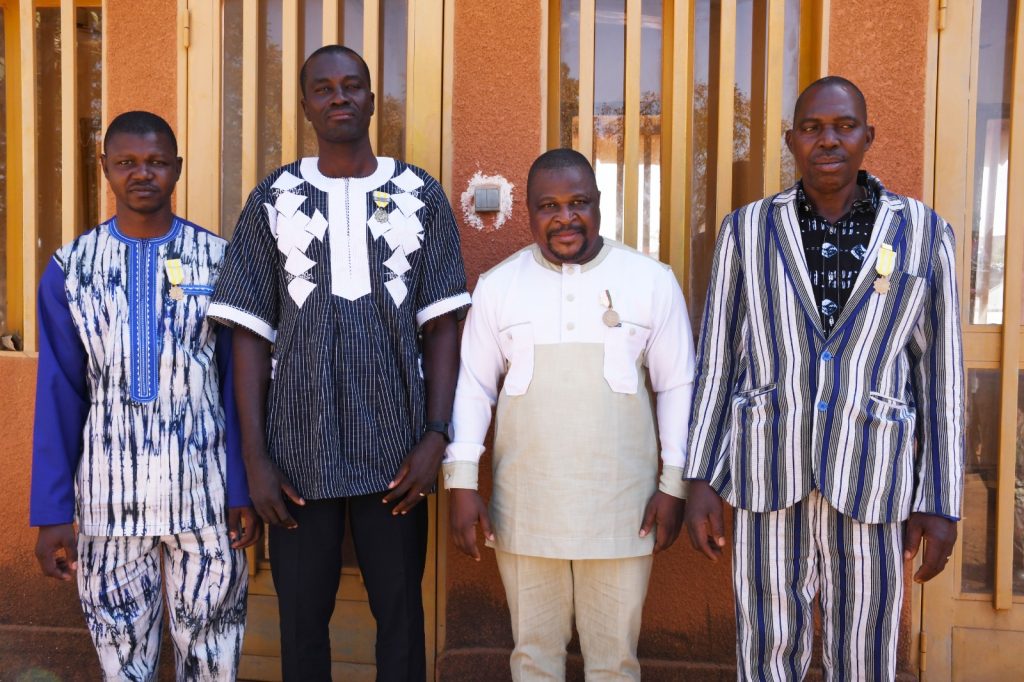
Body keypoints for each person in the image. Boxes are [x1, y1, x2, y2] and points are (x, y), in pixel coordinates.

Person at [683, 76, 964, 681]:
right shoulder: (747, 231)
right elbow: (717, 361)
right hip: (768, 476)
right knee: (766, 651)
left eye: (843, 126)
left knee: (864, 654)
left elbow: (941, 377)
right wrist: (701, 475)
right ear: (792, 141)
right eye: (812, 128)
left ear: (868, 137)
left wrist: (940, 501)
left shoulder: (922, 233)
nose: (827, 140)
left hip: (872, 481)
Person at [207, 45, 469, 681]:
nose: (339, 97)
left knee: (401, 618)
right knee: (301, 623)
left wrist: (436, 436)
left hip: (397, 452)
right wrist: (256, 460)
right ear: (305, 106)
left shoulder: (420, 194)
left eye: (352, 85)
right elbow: (249, 335)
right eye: (323, 89)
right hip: (298, 455)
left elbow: (442, 326)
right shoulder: (273, 198)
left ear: (373, 100)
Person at [445, 149, 696, 681]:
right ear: (529, 212)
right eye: (549, 206)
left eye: (579, 202)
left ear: (599, 204)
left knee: (616, 664)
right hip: (526, 508)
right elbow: (473, 388)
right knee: (533, 658)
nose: (565, 218)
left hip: (624, 510)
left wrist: (673, 485)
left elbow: (677, 386)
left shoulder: (650, 280)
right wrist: (462, 483)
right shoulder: (498, 286)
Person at [30, 111, 258, 680]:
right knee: (121, 656)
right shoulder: (71, 270)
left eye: (156, 162)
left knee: (212, 651)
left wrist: (242, 487)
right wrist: (52, 512)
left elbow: (240, 385)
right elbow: (59, 393)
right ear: (104, 168)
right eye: (127, 162)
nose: (142, 173)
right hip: (107, 500)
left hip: (204, 494)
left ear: (176, 169)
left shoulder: (220, 260)